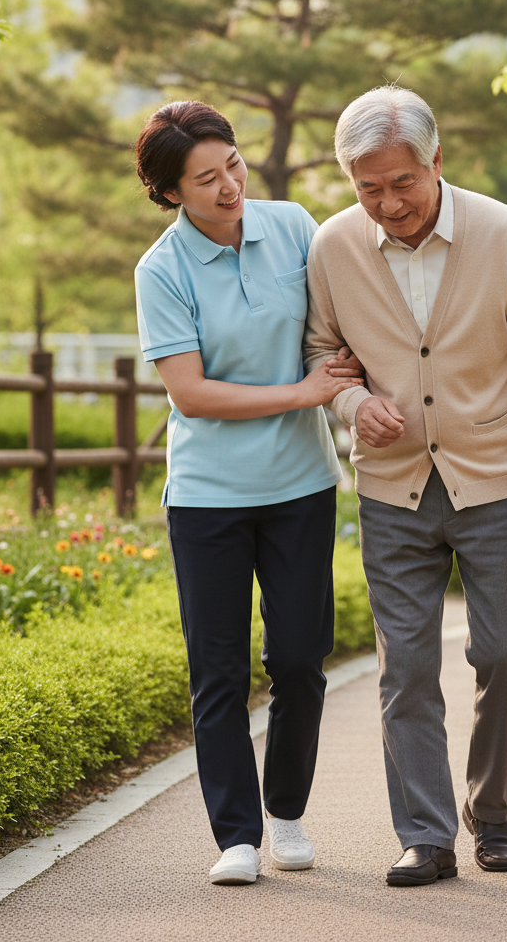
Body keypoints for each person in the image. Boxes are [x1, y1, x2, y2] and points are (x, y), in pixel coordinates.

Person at [304, 86, 507, 886]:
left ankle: (490, 812)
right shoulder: (332, 247)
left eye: (403, 183)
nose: (387, 203)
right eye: (368, 189)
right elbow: (321, 353)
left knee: (505, 653)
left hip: (497, 480)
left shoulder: (502, 232)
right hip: (392, 488)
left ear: (437, 161)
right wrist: (355, 403)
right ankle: (425, 834)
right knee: (407, 667)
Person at [133, 100, 363, 886]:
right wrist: (301, 395)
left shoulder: (295, 226)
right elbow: (190, 394)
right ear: (171, 194)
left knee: (299, 659)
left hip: (300, 485)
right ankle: (236, 835)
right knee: (219, 670)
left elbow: (338, 328)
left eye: (233, 164)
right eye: (207, 178)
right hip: (207, 497)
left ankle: (288, 812)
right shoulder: (160, 271)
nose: (230, 185)